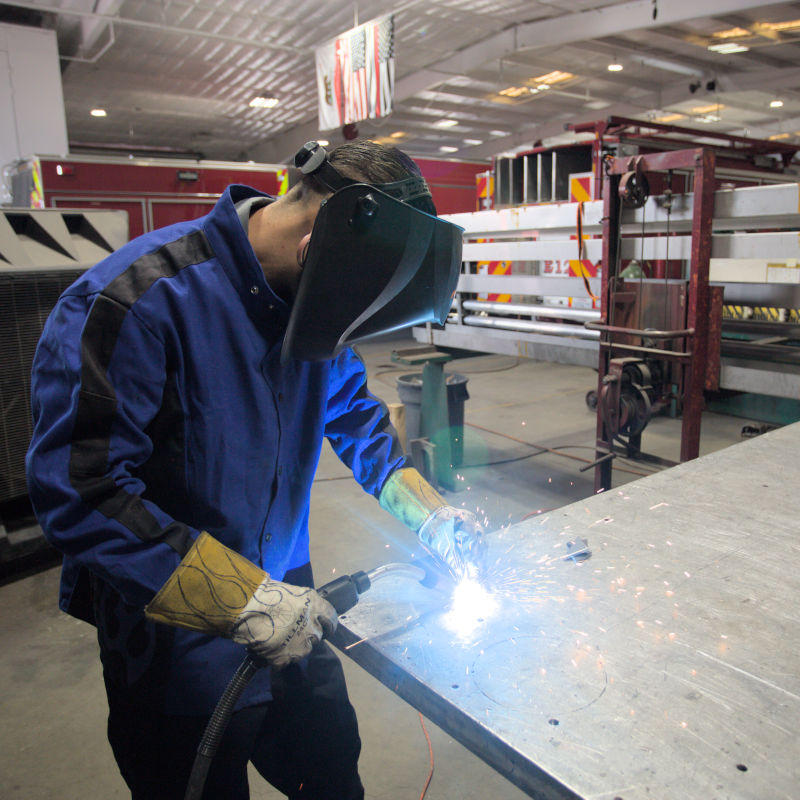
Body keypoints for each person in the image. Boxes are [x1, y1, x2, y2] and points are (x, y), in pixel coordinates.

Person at [26, 138, 486, 800]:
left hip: (291, 606)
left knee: (330, 772)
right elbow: (79, 490)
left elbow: (356, 420)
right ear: (313, 249)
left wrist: (431, 513)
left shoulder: (320, 303)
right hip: (168, 639)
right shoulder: (137, 301)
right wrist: (238, 598)